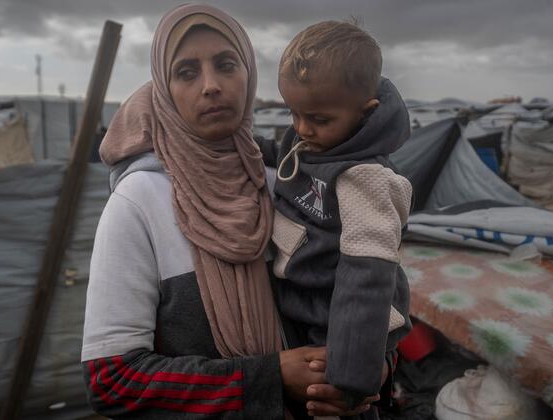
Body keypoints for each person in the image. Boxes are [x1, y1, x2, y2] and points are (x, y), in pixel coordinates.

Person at [81, 5, 389, 419]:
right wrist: (269, 378)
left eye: (226, 65)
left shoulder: (289, 182)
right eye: (186, 72)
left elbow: (367, 291)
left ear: (250, 74)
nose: (211, 86)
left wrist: (375, 368)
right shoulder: (138, 202)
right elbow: (112, 381)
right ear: (164, 91)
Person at [256, 21, 414, 410]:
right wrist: (241, 146)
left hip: (339, 317)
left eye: (319, 119)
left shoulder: (366, 180)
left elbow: (367, 276)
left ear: (365, 112)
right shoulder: (314, 138)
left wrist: (352, 380)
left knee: (328, 399)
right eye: (293, 113)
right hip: (304, 297)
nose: (302, 129)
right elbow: (284, 157)